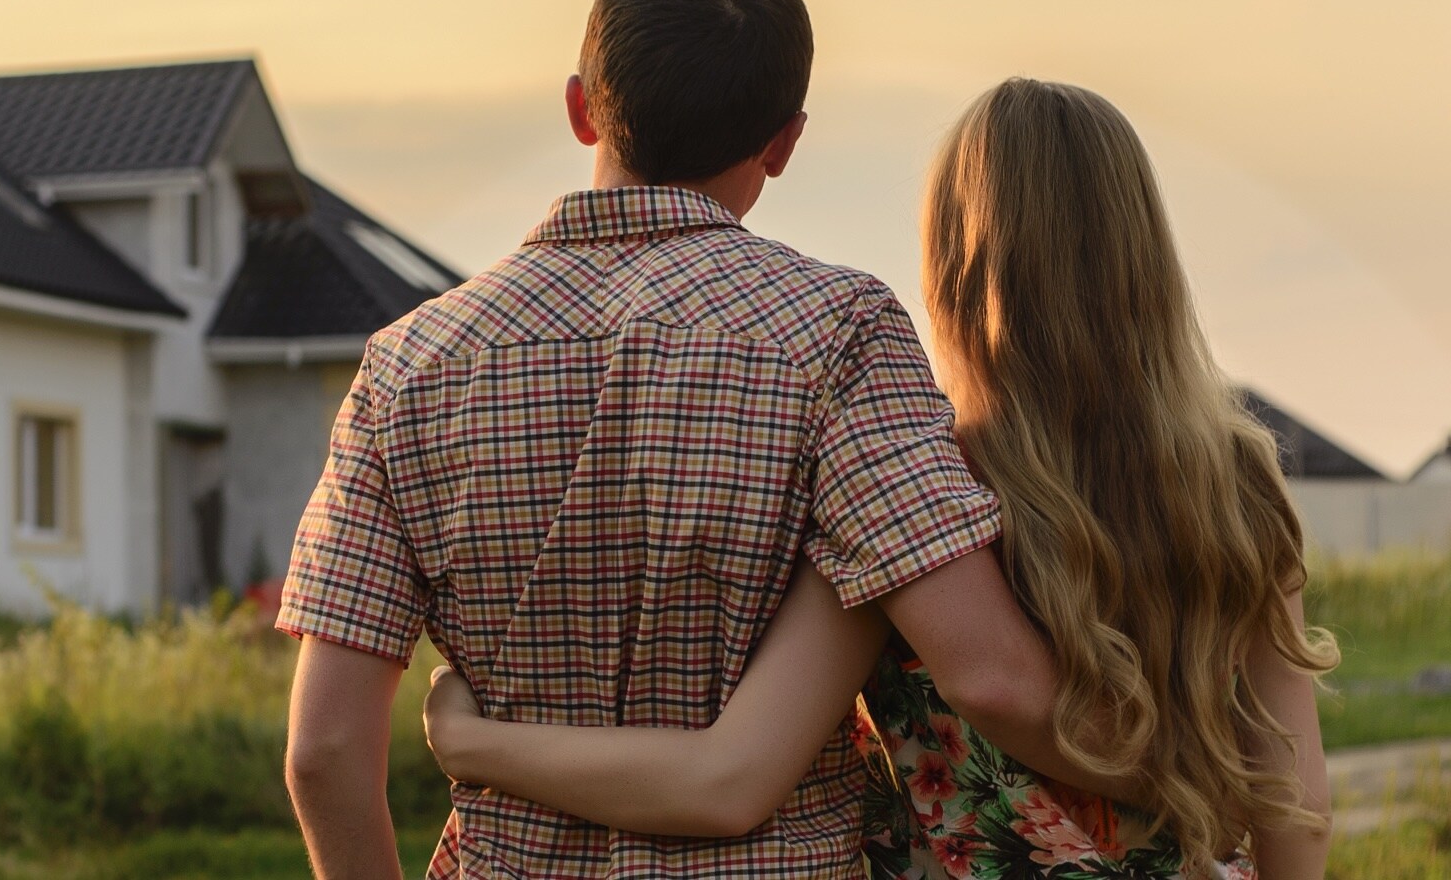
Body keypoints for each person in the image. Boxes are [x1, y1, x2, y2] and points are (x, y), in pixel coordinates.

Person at [277, 0, 1130, 880]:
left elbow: (323, 755)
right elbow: (996, 679)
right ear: (784, 141)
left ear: (580, 108)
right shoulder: (839, 332)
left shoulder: (407, 367)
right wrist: (1222, 779)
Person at [421, 78, 1338, 879]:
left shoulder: (910, 483)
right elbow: (1299, 804)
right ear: (1146, 252)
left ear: (955, 262)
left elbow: (727, 779)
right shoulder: (1239, 487)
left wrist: (476, 743)